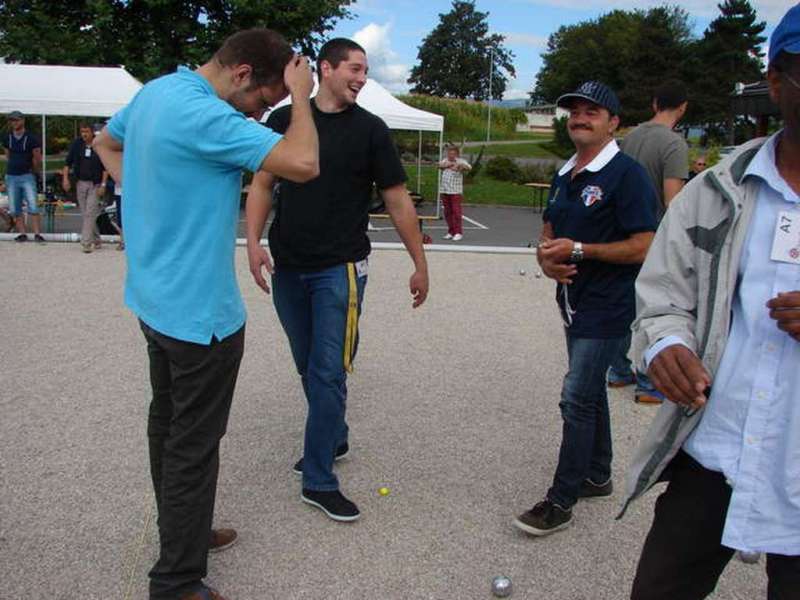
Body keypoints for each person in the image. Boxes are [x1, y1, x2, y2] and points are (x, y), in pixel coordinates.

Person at [93, 28, 319, 600]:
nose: (263, 109)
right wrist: (300, 95)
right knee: (193, 444)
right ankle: (176, 581)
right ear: (243, 74)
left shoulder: (157, 92)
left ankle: (182, 536)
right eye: (263, 99)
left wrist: (147, 196)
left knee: (166, 428)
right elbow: (304, 162)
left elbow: (105, 143)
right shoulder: (208, 119)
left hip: (153, 301)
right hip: (201, 317)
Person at [623, 9, 800, 598]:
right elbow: (662, 294)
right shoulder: (718, 190)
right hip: (718, 449)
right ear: (776, 82)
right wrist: (668, 344)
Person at [246, 38, 429, 523]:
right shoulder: (284, 121)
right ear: (324, 69)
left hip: (341, 270)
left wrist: (420, 263)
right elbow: (263, 184)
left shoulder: (371, 130)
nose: (362, 77)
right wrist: (252, 242)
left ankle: (320, 477)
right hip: (289, 267)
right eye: (353, 68)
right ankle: (335, 433)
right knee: (308, 366)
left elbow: (397, 199)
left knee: (328, 371)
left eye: (365, 70)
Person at [512, 81, 657, 537]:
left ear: (613, 123)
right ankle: (598, 474)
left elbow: (646, 245)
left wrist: (580, 251)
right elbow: (550, 228)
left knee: (575, 397)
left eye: (592, 110)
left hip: (610, 305)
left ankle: (562, 498)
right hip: (574, 302)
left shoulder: (627, 175)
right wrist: (546, 256)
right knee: (590, 391)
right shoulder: (565, 173)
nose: (580, 116)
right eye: (574, 109)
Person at [608, 80, 690, 401]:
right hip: (655, 238)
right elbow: (673, 201)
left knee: (624, 304)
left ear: (655, 102)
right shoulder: (674, 144)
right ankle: (648, 382)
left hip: (622, 232)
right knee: (654, 309)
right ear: (682, 108)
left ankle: (617, 370)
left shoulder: (630, 138)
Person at [63, 123, 108, 253]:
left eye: (86, 131)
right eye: (82, 131)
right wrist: (65, 178)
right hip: (80, 183)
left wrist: (103, 185)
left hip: (95, 184)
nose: (84, 134)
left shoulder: (98, 144)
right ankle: (97, 238)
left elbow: (105, 168)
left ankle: (86, 242)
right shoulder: (77, 144)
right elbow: (67, 163)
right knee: (86, 214)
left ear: (92, 132)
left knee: (90, 213)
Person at [3, 110, 44, 243]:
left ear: (22, 120)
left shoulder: (31, 138)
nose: (14, 123)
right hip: (11, 175)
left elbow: (37, 157)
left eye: (16, 120)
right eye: (11, 120)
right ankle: (22, 233)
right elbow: (8, 154)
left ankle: (37, 233)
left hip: (27, 174)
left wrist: (35, 171)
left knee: (33, 205)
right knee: (15, 207)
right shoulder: (7, 137)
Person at [438, 145, 471, 241]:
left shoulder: (461, 161)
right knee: (447, 212)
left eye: (453, 153)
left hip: (455, 191)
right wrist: (448, 165)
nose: (450, 155)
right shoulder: (445, 160)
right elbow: (439, 166)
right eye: (449, 153)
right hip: (444, 190)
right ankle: (451, 231)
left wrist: (460, 166)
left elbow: (468, 167)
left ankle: (458, 232)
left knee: (456, 212)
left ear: (456, 154)